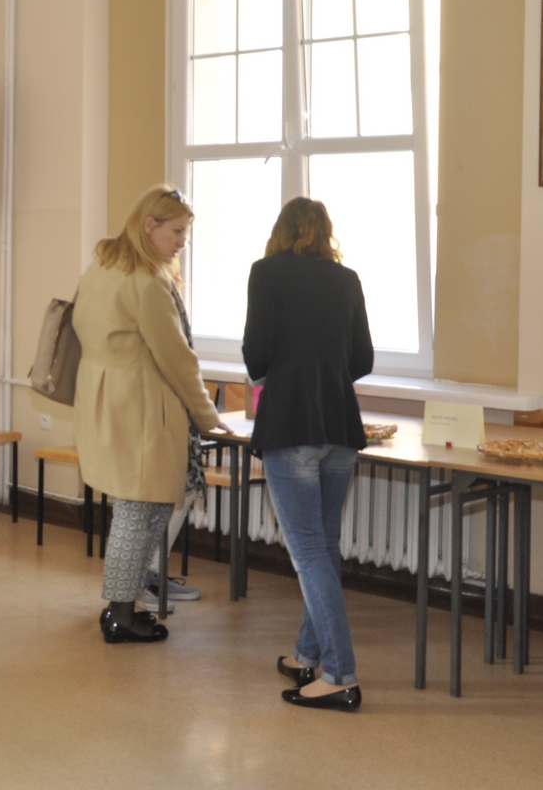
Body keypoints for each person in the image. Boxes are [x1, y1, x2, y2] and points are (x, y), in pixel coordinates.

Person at [73, 184, 221, 644]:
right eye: (176, 232)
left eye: (186, 234)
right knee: (139, 514)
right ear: (149, 224)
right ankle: (120, 614)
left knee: (139, 510)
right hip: (140, 408)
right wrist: (207, 415)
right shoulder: (148, 281)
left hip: (107, 401)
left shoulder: (103, 266)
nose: (182, 243)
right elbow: (177, 359)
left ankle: (123, 604)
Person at [243, 197, 373, 712]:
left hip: (291, 424)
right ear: (325, 233)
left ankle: (340, 674)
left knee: (308, 551)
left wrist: (290, 373)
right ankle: (306, 654)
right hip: (340, 426)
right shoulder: (347, 279)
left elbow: (256, 354)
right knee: (324, 544)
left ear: (281, 231)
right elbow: (362, 358)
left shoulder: (266, 272)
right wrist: (324, 373)